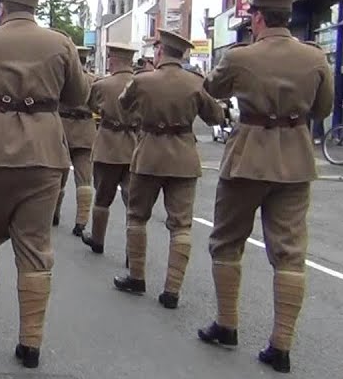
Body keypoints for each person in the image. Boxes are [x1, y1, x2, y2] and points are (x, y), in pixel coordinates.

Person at [0, 0, 89, 368]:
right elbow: (78, 96)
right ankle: (30, 343)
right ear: (33, 8)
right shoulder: (61, 43)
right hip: (44, 153)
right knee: (34, 246)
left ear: (1, 8)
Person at [201, 0, 334, 374]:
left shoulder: (241, 56)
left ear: (257, 18)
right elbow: (323, 108)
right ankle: (281, 346)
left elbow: (214, 88)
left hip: (249, 157)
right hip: (294, 158)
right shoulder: (315, 57)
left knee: (227, 242)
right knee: (291, 251)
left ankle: (227, 324)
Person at [112, 30, 223, 309]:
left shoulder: (143, 81)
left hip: (149, 155)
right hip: (183, 157)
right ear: (182, 53)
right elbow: (215, 116)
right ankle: (172, 290)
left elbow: (123, 106)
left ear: (160, 51)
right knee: (181, 225)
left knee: (137, 217)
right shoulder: (196, 82)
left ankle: (136, 277)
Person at [82, 42, 140, 256]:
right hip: (135, 144)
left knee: (103, 197)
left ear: (113, 60)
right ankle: (133, 251)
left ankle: (98, 239)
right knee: (132, 200)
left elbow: (91, 106)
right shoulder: (141, 83)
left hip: (108, 145)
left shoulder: (102, 85)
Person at [54, 45, 98, 235]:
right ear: (85, 60)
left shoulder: (62, 80)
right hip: (85, 130)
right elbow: (98, 106)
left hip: (62, 128)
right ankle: (81, 221)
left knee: (58, 175)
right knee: (84, 179)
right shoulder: (93, 81)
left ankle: (54, 214)